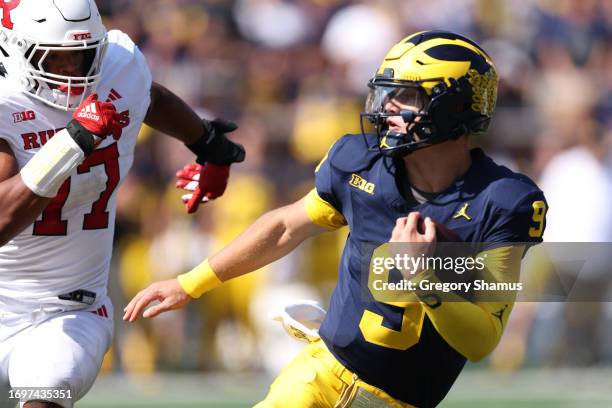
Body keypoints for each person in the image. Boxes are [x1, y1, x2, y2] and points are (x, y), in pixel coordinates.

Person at [125, 30, 547, 407]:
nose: (388, 107)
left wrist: (425, 281)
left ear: (454, 108)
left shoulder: (504, 201)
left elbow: (482, 340)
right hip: (319, 374)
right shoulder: (361, 164)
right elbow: (285, 227)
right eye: (387, 93)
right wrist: (189, 284)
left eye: (408, 96)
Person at [0, 1, 244, 407]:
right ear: (12, 47)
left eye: (82, 54)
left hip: (69, 310)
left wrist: (209, 144)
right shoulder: (7, 103)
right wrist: (70, 143)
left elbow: (150, 98)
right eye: (54, 56)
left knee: (46, 394)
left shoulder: (119, 66)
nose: (71, 69)